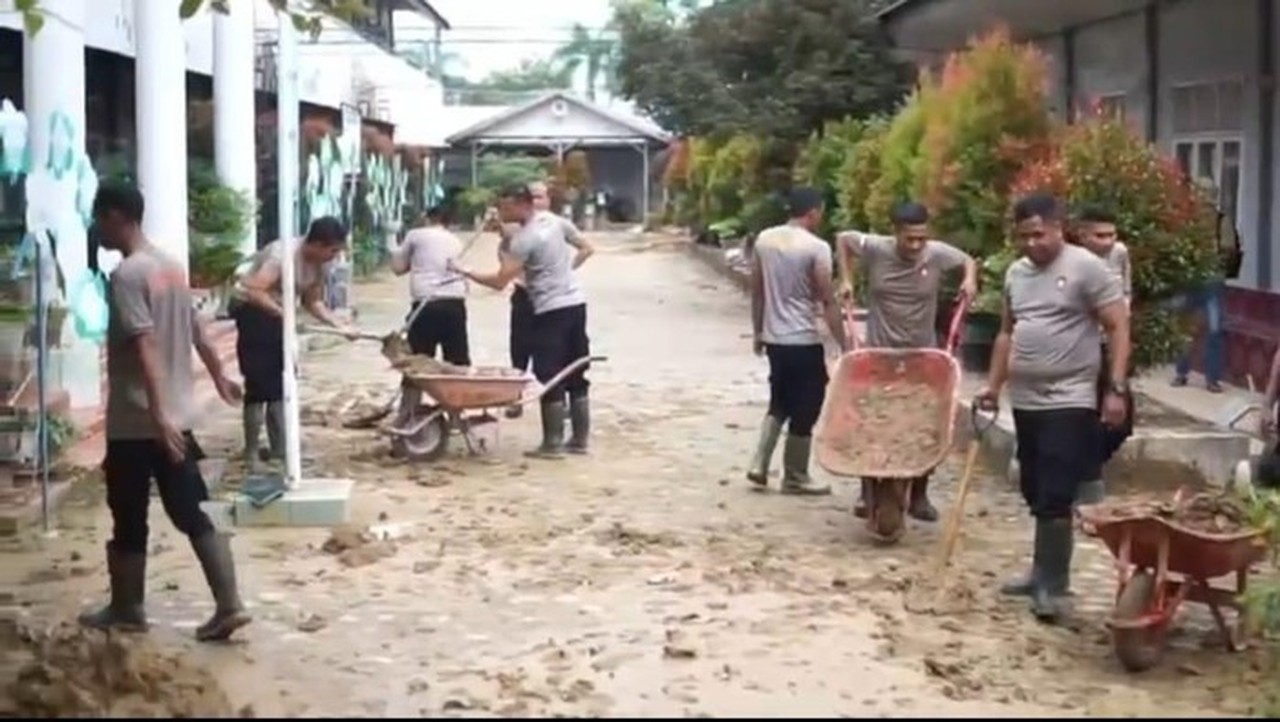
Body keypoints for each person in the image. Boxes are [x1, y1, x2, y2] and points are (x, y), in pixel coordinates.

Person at [78, 183, 251, 642]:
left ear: (116, 217)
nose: (97, 229)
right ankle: (229, 603)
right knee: (194, 509)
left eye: (99, 219)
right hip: (179, 415)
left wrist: (155, 413)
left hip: (140, 421)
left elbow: (145, 344)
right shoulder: (172, 269)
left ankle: (127, 608)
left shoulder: (129, 275)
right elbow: (198, 331)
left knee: (129, 514)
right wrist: (218, 378)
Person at [975, 192, 1130, 624]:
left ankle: (1054, 584)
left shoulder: (1087, 268)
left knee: (1057, 490)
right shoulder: (1015, 274)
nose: (1031, 244)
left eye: (1039, 234)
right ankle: (1040, 570)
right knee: (1034, 484)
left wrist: (1115, 388)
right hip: (1025, 401)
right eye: (1024, 236)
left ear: (1060, 227)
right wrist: (992, 385)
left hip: (1071, 396)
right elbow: (1007, 333)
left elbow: (1118, 326)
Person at [834, 201, 979, 521]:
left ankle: (919, 495)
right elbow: (843, 239)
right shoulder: (875, 248)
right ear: (895, 233)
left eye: (921, 239)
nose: (915, 246)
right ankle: (868, 490)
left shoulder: (937, 254)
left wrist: (969, 280)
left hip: (922, 356)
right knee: (875, 425)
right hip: (879, 355)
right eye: (908, 239)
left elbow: (967, 260)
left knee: (923, 427)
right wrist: (845, 279)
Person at [457, 184, 595, 457]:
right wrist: (565, 272)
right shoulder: (555, 222)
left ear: (523, 204)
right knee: (576, 370)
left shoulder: (526, 239)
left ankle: (552, 443)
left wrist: (466, 271)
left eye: (506, 207)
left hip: (549, 309)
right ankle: (580, 440)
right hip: (575, 303)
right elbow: (586, 247)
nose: (502, 212)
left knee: (550, 372)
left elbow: (499, 281)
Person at [745, 186, 849, 496]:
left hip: (775, 338)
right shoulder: (816, 248)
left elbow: (757, 291)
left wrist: (758, 332)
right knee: (808, 403)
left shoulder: (765, 240)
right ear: (813, 212)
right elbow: (827, 299)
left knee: (780, 398)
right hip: (803, 338)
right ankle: (795, 474)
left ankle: (759, 463)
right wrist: (844, 343)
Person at [230, 216, 354, 471]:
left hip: (279, 317)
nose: (334, 256)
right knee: (259, 384)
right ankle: (251, 452)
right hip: (253, 312)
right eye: (332, 250)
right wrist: (283, 314)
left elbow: (313, 301)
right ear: (317, 244)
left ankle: (281, 447)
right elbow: (253, 290)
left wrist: (338, 325)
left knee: (282, 381)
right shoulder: (281, 254)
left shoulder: (320, 265)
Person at [501, 180, 592, 419]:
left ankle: (556, 433)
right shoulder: (522, 231)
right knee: (520, 350)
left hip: (550, 302)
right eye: (535, 196)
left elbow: (586, 248)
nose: (538, 201)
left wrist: (565, 273)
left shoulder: (546, 227)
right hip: (529, 295)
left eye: (541, 197)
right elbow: (506, 264)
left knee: (551, 364)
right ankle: (518, 397)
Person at [1075, 205, 1135, 464]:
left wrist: (1122, 313)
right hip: (1078, 346)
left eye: (1112, 235)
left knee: (1121, 417)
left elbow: (1126, 288)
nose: (1108, 242)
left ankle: (1091, 461)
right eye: (1100, 236)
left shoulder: (1119, 253)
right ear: (1083, 235)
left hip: (1109, 342)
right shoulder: (1072, 261)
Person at [1172, 177, 1242, 393]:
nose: (1203, 198)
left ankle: (1212, 379)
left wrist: (1210, 254)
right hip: (1190, 280)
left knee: (1214, 329)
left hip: (1211, 281)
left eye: (1205, 193)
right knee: (1185, 329)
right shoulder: (1187, 219)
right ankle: (1181, 372)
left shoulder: (1222, 220)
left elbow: (1229, 249)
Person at [392, 206, 470, 366]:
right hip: (455, 304)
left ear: (427, 218)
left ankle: (411, 391)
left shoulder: (415, 235)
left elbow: (398, 268)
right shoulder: (456, 240)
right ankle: (460, 390)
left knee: (417, 363)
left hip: (426, 304)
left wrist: (394, 247)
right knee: (458, 362)